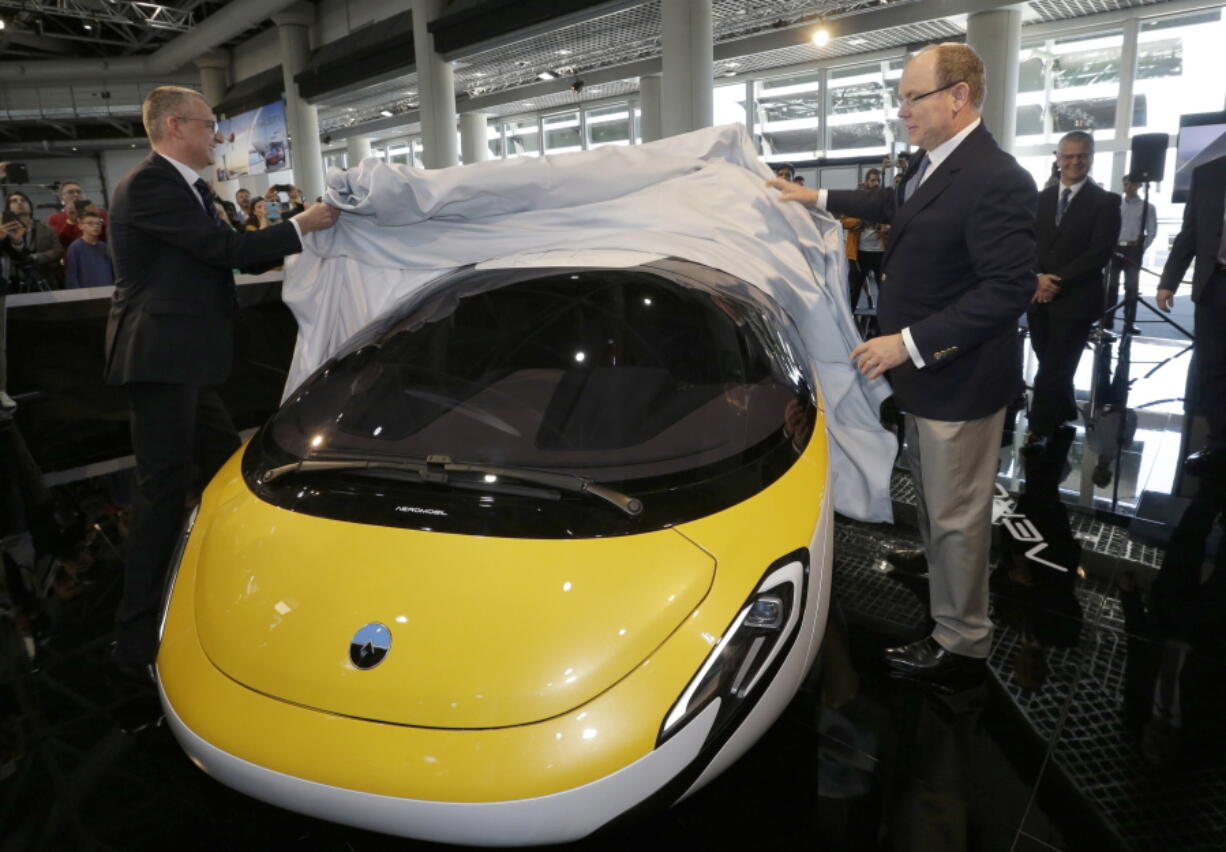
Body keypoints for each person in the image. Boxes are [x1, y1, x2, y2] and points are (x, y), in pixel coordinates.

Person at [769, 42, 1037, 679]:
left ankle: (961, 639)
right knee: (937, 500)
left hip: (958, 380)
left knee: (957, 515)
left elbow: (1007, 291)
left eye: (912, 97)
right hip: (926, 380)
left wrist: (908, 343)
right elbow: (894, 208)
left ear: (958, 97)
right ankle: (936, 562)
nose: (901, 111)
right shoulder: (933, 163)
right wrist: (812, 197)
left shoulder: (998, 178)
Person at [104, 85, 340, 674]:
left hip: (185, 361)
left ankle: (227, 594)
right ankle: (133, 644)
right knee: (162, 492)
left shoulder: (186, 188)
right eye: (211, 126)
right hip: (160, 360)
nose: (219, 138)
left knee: (225, 474)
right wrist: (302, 224)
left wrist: (306, 237)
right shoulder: (153, 184)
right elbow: (219, 248)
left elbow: (239, 254)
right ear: (177, 126)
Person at [1025, 131, 1120, 457]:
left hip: (1076, 300)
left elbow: (1099, 253)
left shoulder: (1106, 202)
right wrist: (1038, 277)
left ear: (1091, 157)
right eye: (1068, 156)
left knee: (1052, 366)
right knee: (1048, 357)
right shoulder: (1041, 199)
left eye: (1081, 156)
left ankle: (1039, 427)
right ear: (1058, 158)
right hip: (1038, 297)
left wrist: (1057, 281)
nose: (1074, 162)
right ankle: (1065, 408)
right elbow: (1029, 243)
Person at [1157, 155, 1226, 477]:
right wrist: (1168, 282)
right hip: (1214, 284)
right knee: (1211, 369)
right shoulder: (1208, 174)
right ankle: (1218, 442)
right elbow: (1190, 232)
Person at [1106, 173, 1157, 333]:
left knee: (1132, 287)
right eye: (1126, 184)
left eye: (1132, 184)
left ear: (1139, 186)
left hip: (1133, 249)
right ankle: (1107, 320)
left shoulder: (1148, 207)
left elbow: (1152, 230)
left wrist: (1142, 248)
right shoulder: (1116, 205)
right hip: (1115, 249)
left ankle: (1129, 322)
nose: (1128, 187)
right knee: (1111, 286)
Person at [5, 192, 63, 290]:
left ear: (30, 206)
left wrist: (35, 257)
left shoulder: (47, 229)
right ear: (8, 208)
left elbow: (58, 251)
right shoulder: (5, 231)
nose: (19, 203)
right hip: (15, 283)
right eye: (14, 201)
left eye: (23, 200)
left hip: (45, 280)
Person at [48, 180, 108, 249]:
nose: (76, 195)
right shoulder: (55, 218)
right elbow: (60, 243)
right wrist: (70, 222)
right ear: (61, 197)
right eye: (70, 192)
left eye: (79, 192)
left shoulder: (100, 213)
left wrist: (97, 217)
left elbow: (109, 236)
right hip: (73, 256)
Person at [64, 206, 114, 289]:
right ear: (80, 226)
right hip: (86, 295)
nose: (96, 226)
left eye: (98, 223)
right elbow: (71, 277)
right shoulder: (75, 248)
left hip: (107, 292)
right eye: (90, 223)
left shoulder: (105, 247)